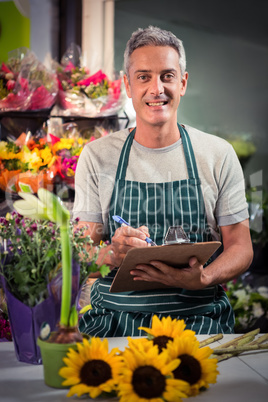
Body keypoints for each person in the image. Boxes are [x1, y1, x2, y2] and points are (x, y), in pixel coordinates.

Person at [73, 26, 253, 336]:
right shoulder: (97, 156)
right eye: (143, 77)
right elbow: (80, 251)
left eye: (167, 76)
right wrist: (112, 255)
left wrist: (206, 277)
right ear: (128, 85)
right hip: (115, 324)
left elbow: (241, 247)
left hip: (199, 324)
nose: (157, 89)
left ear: (183, 83)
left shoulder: (218, 154)